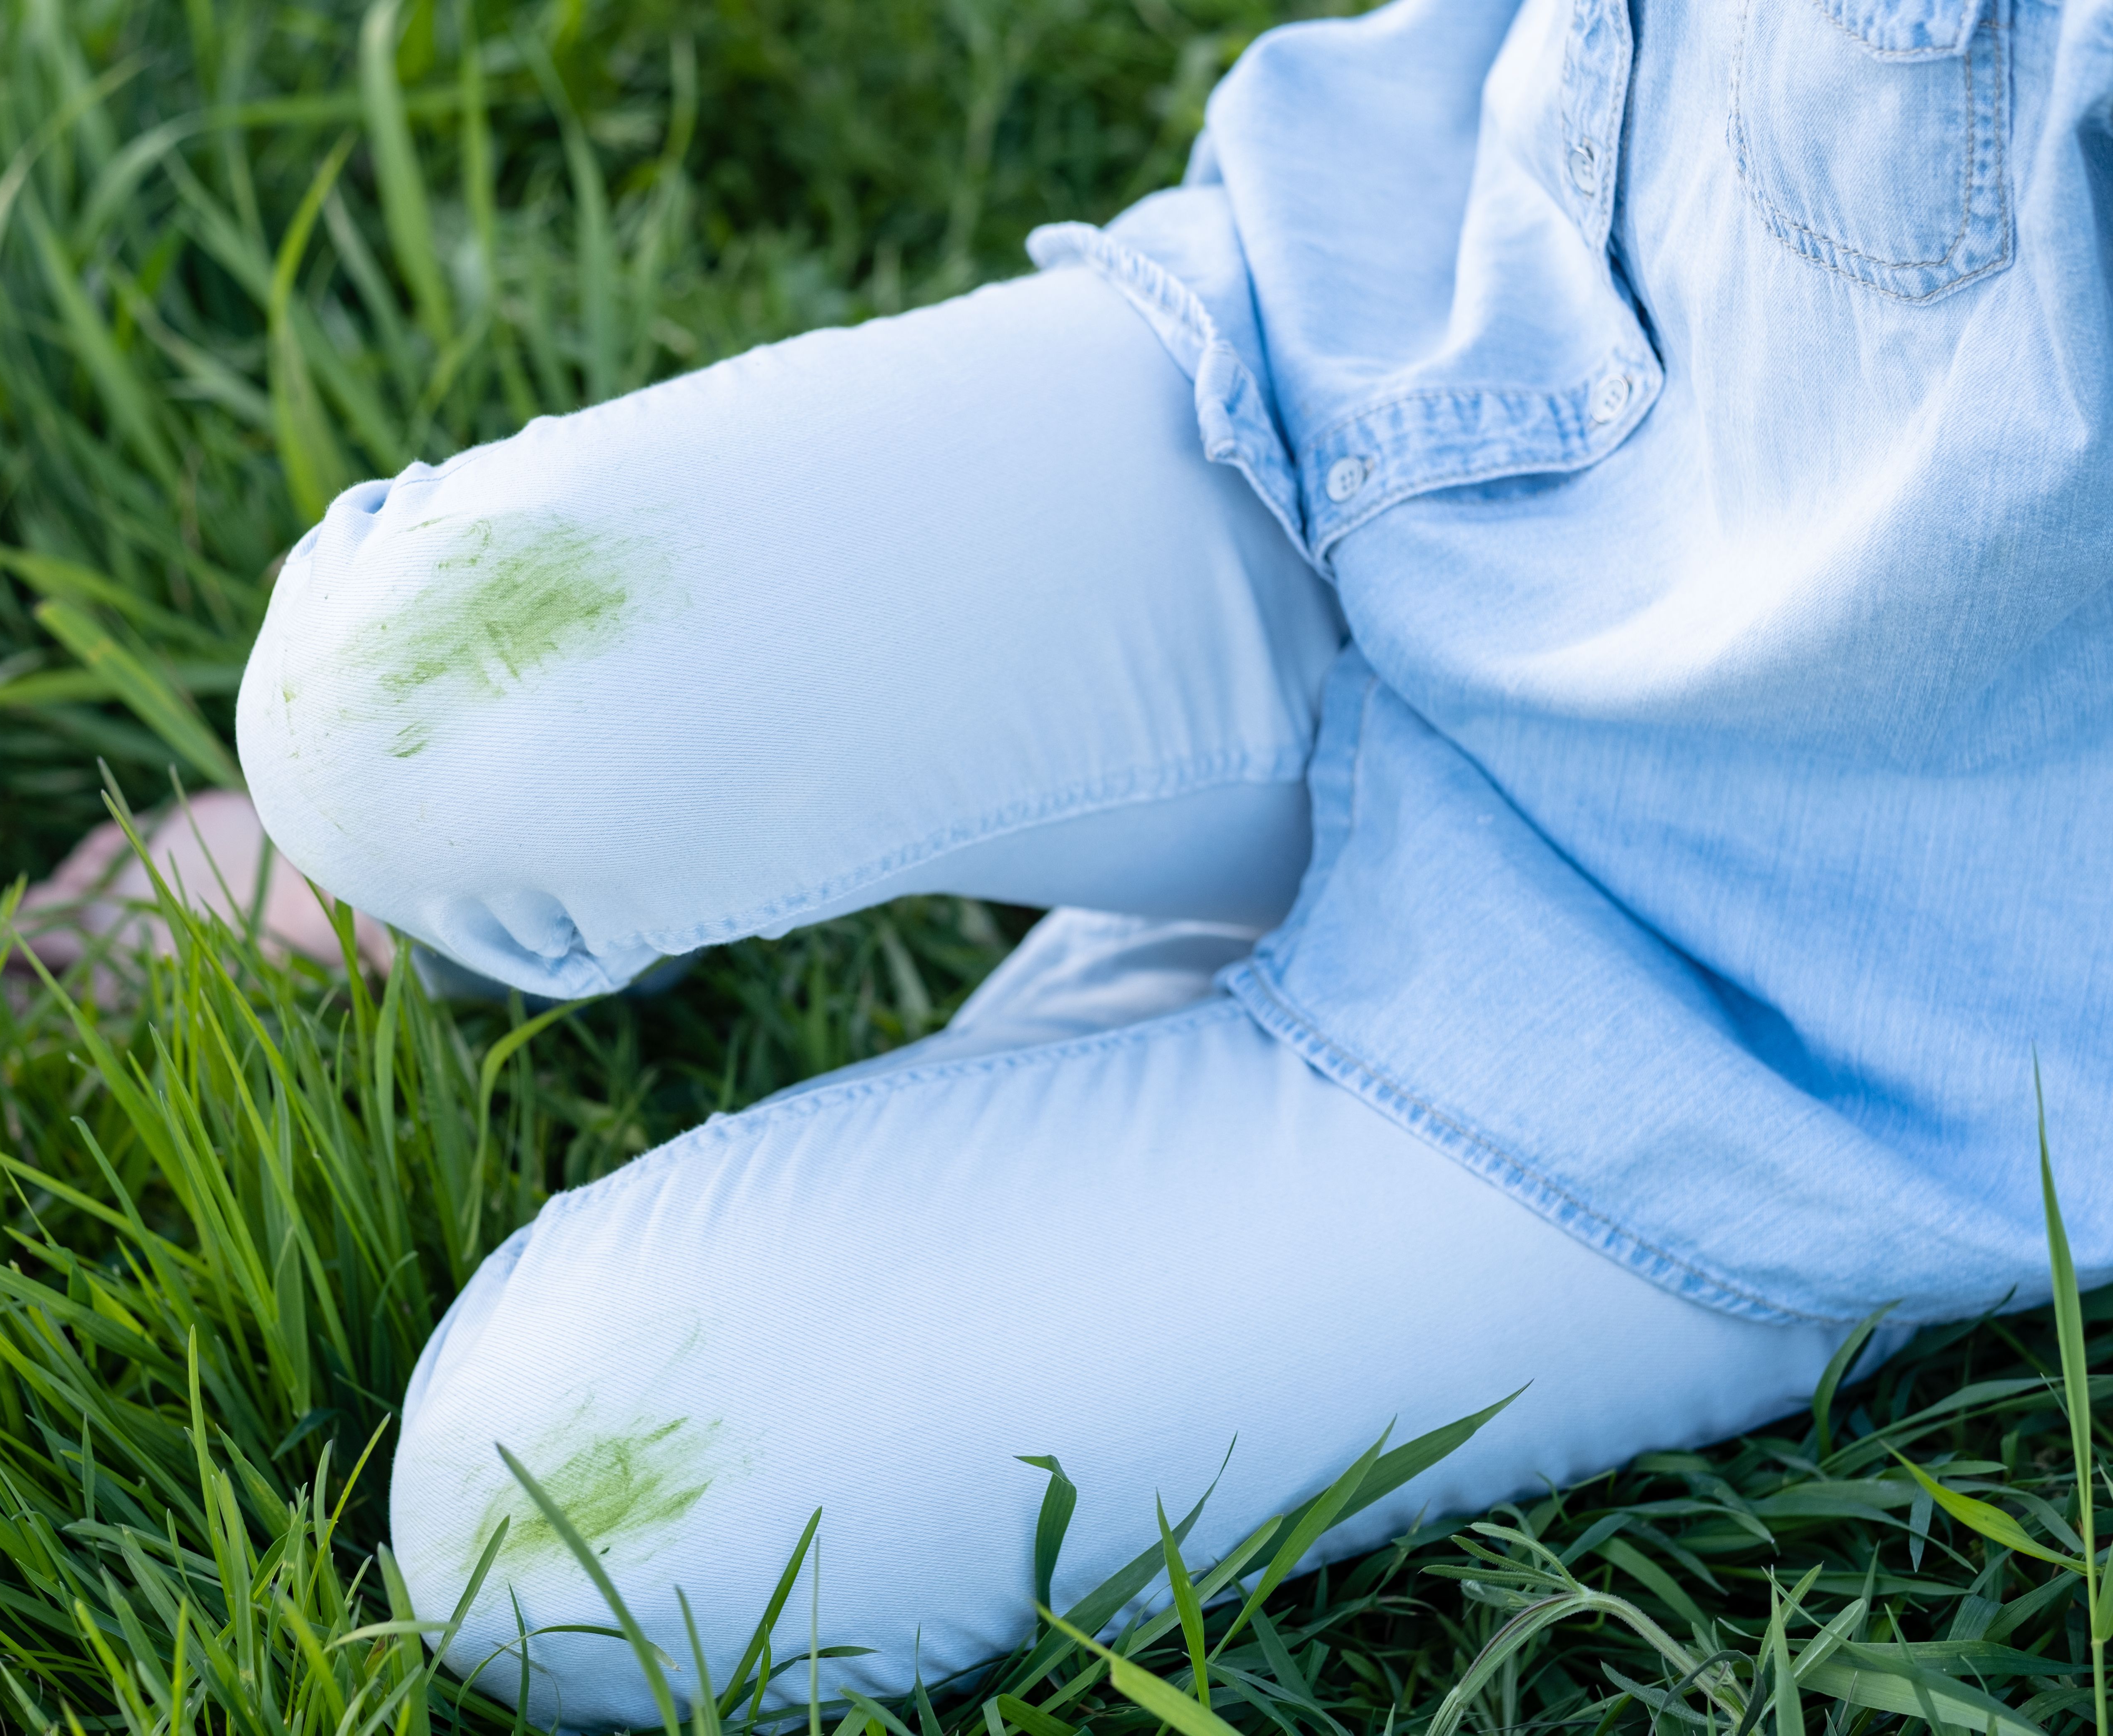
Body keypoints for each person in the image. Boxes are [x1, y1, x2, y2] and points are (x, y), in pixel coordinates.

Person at [225, 0, 2113, 1723]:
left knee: (558, 1527)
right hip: (1429, 364)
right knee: (389, 696)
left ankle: (1238, 1015)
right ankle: (1164, 961)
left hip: (1773, 979)